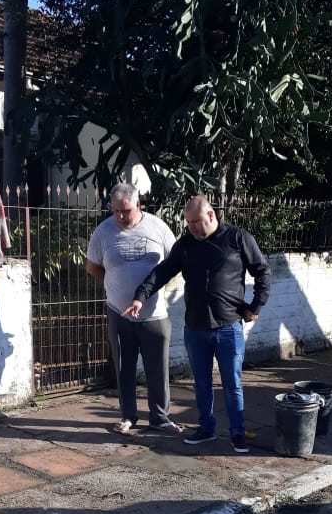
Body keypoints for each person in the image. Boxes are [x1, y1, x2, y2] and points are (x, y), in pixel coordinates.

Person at [122, 194, 271, 453]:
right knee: (201, 384)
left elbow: (262, 271)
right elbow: (162, 272)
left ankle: (237, 433)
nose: (191, 227)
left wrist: (255, 306)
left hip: (228, 327)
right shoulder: (185, 245)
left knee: (232, 384)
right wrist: (139, 297)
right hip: (195, 329)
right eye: (188, 223)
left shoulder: (237, 238)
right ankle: (206, 429)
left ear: (210, 215)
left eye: (195, 222)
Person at [86, 182, 181, 434]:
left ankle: (160, 418)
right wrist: (114, 285)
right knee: (123, 367)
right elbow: (92, 266)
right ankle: (128, 415)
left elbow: (174, 263)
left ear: (138, 205)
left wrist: (154, 288)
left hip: (154, 314)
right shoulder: (103, 232)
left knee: (157, 368)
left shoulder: (158, 227)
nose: (120, 216)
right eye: (116, 210)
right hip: (119, 313)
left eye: (125, 211)